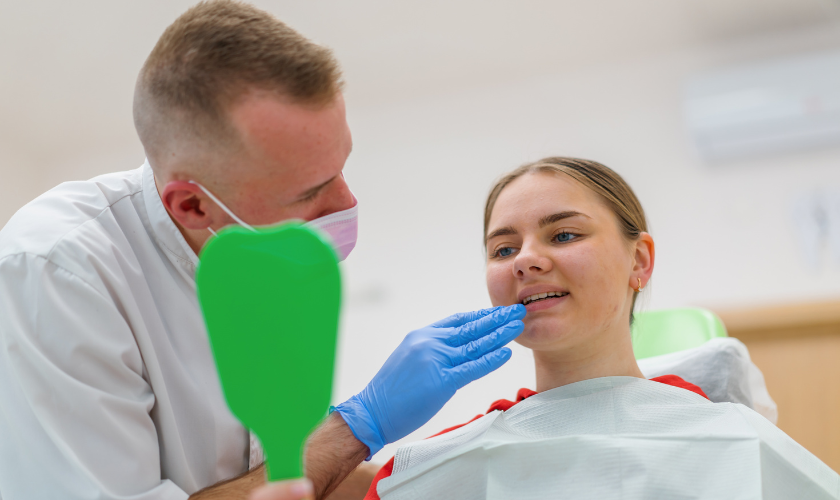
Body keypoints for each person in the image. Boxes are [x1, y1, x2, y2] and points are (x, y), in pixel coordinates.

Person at [0, 2, 525, 499]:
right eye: (309, 192)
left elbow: (272, 475)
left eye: (342, 167)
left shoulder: (263, 261)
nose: (347, 201)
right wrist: (357, 425)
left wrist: (448, 478)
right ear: (192, 206)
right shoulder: (58, 272)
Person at [359, 157, 840, 500]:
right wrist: (358, 424)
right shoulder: (436, 463)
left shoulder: (739, 443)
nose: (525, 259)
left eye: (564, 234)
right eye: (503, 249)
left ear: (640, 259)